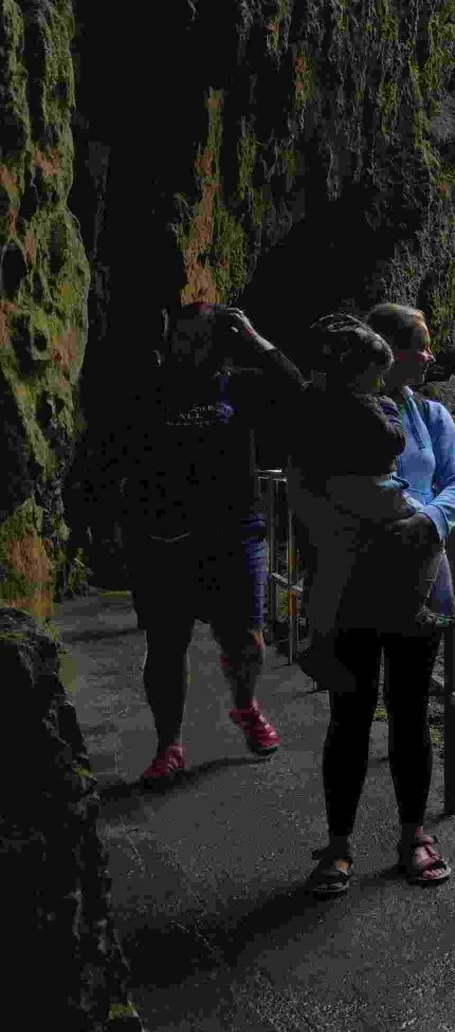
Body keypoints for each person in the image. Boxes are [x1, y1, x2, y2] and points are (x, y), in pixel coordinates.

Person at [295, 303, 455, 898]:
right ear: (389, 352)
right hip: (352, 576)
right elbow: (310, 483)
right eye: (421, 345)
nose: (429, 356)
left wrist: (428, 522)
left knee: (411, 708)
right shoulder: (333, 411)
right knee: (350, 710)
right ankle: (338, 846)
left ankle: (414, 835)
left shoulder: (433, 415)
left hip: (418, 572)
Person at [122, 303, 306, 787]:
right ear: (170, 338)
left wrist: (253, 336)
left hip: (235, 534)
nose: (192, 347)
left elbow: (297, 391)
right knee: (165, 645)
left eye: (204, 337)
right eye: (184, 337)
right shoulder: (149, 389)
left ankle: (245, 706)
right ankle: (169, 746)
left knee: (245, 639)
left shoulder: (242, 384)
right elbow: (119, 452)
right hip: (164, 540)